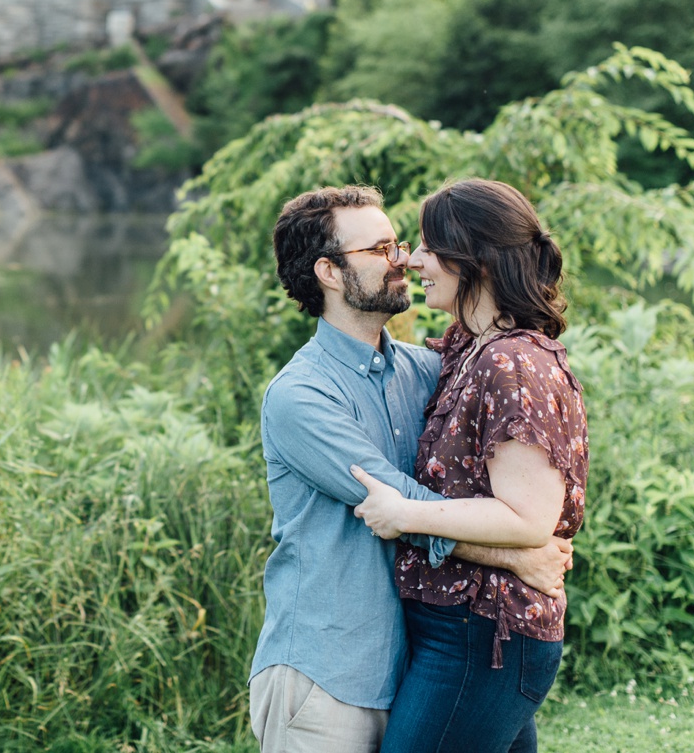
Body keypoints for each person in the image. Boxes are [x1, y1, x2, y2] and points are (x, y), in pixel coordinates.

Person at [251, 185, 575, 753]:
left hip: (417, 659)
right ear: (329, 271)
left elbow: (469, 487)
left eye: (400, 243)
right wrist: (516, 551)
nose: (402, 258)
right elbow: (394, 497)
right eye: (380, 250)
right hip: (328, 673)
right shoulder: (299, 397)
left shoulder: (426, 369)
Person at [351, 179, 589, 753]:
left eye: (430, 248)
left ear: (475, 259)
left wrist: (405, 513)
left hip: (482, 635)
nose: (413, 260)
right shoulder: (470, 347)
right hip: (464, 628)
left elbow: (529, 518)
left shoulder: (511, 362)